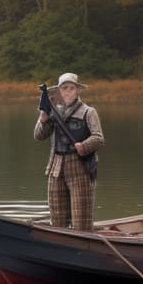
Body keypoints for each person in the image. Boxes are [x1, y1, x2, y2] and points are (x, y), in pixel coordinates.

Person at [34, 72, 105, 231]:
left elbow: (98, 138)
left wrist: (84, 146)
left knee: (81, 221)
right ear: (59, 91)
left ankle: (83, 248)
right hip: (56, 167)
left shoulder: (88, 112)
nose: (67, 92)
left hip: (80, 168)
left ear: (77, 90)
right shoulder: (52, 112)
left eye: (71, 88)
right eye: (64, 88)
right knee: (57, 220)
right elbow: (38, 135)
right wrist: (43, 118)